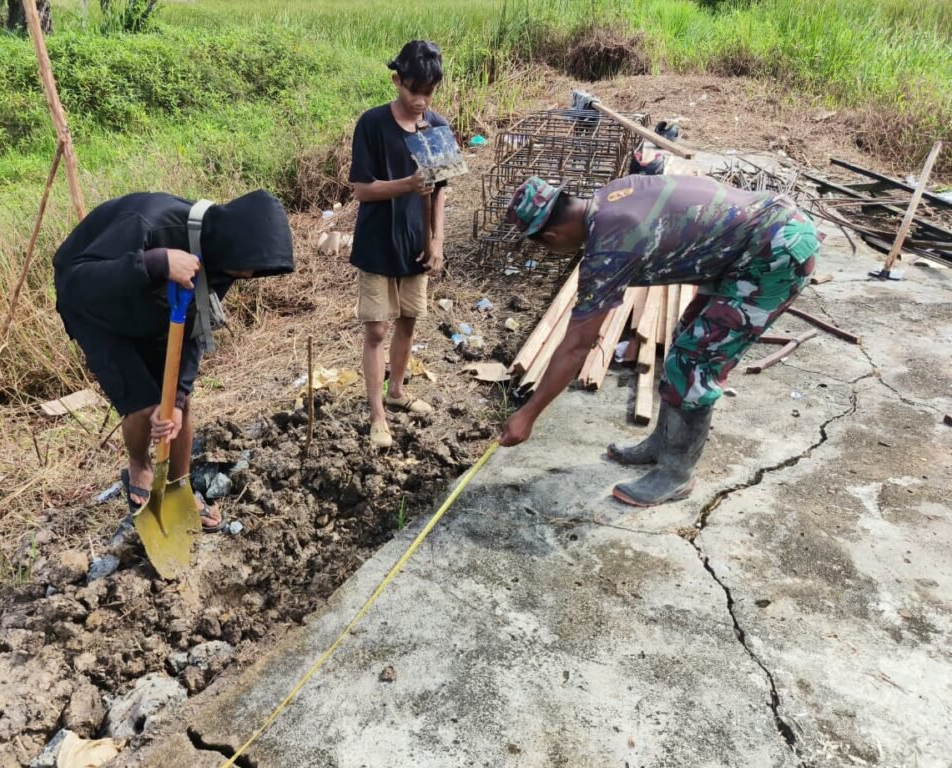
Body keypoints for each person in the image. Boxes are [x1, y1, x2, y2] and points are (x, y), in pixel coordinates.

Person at [498, 174, 821, 506]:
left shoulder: (610, 246)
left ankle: (677, 473)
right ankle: (664, 444)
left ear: (550, 237)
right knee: (684, 341)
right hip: (750, 241)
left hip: (775, 253)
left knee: (695, 363)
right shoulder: (611, 197)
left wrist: (528, 414)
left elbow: (577, 346)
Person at [53, 190, 294, 529]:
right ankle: (139, 463)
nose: (246, 275)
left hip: (152, 310)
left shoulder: (225, 261)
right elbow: (76, 282)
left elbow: (196, 326)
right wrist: (155, 263)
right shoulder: (147, 223)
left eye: (250, 272)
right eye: (245, 269)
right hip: (97, 313)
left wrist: (178, 398)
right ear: (231, 242)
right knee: (143, 405)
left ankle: (179, 486)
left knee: (176, 407)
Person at [349, 39, 449, 449]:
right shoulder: (372, 124)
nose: (421, 100)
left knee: (408, 320)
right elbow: (361, 189)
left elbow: (440, 190)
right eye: (413, 90)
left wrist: (437, 240)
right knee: (376, 328)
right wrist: (407, 184)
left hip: (416, 242)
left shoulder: (437, 127)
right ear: (397, 81)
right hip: (377, 241)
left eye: (429, 92)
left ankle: (397, 392)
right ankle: (377, 415)